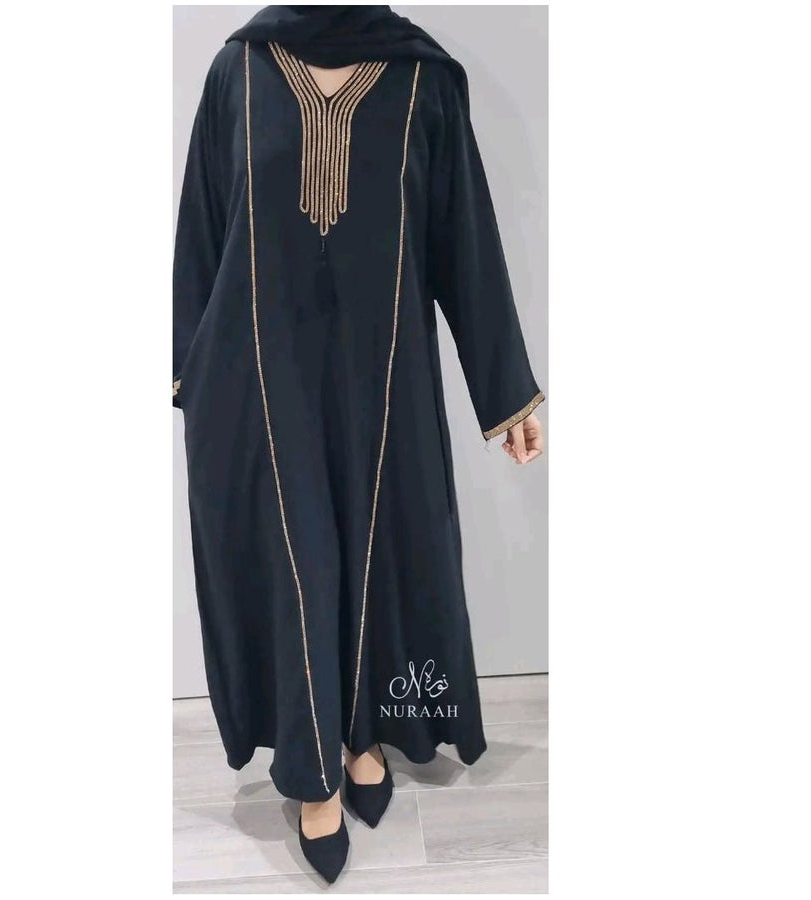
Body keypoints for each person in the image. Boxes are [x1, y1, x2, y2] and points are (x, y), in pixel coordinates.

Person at [173, 6, 544, 883]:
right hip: (260, 382)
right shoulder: (239, 72)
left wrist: (507, 394)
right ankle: (312, 772)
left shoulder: (423, 81)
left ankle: (363, 729)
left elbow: (465, 241)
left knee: (377, 556)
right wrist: (182, 366)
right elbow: (201, 227)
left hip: (385, 380)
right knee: (299, 566)